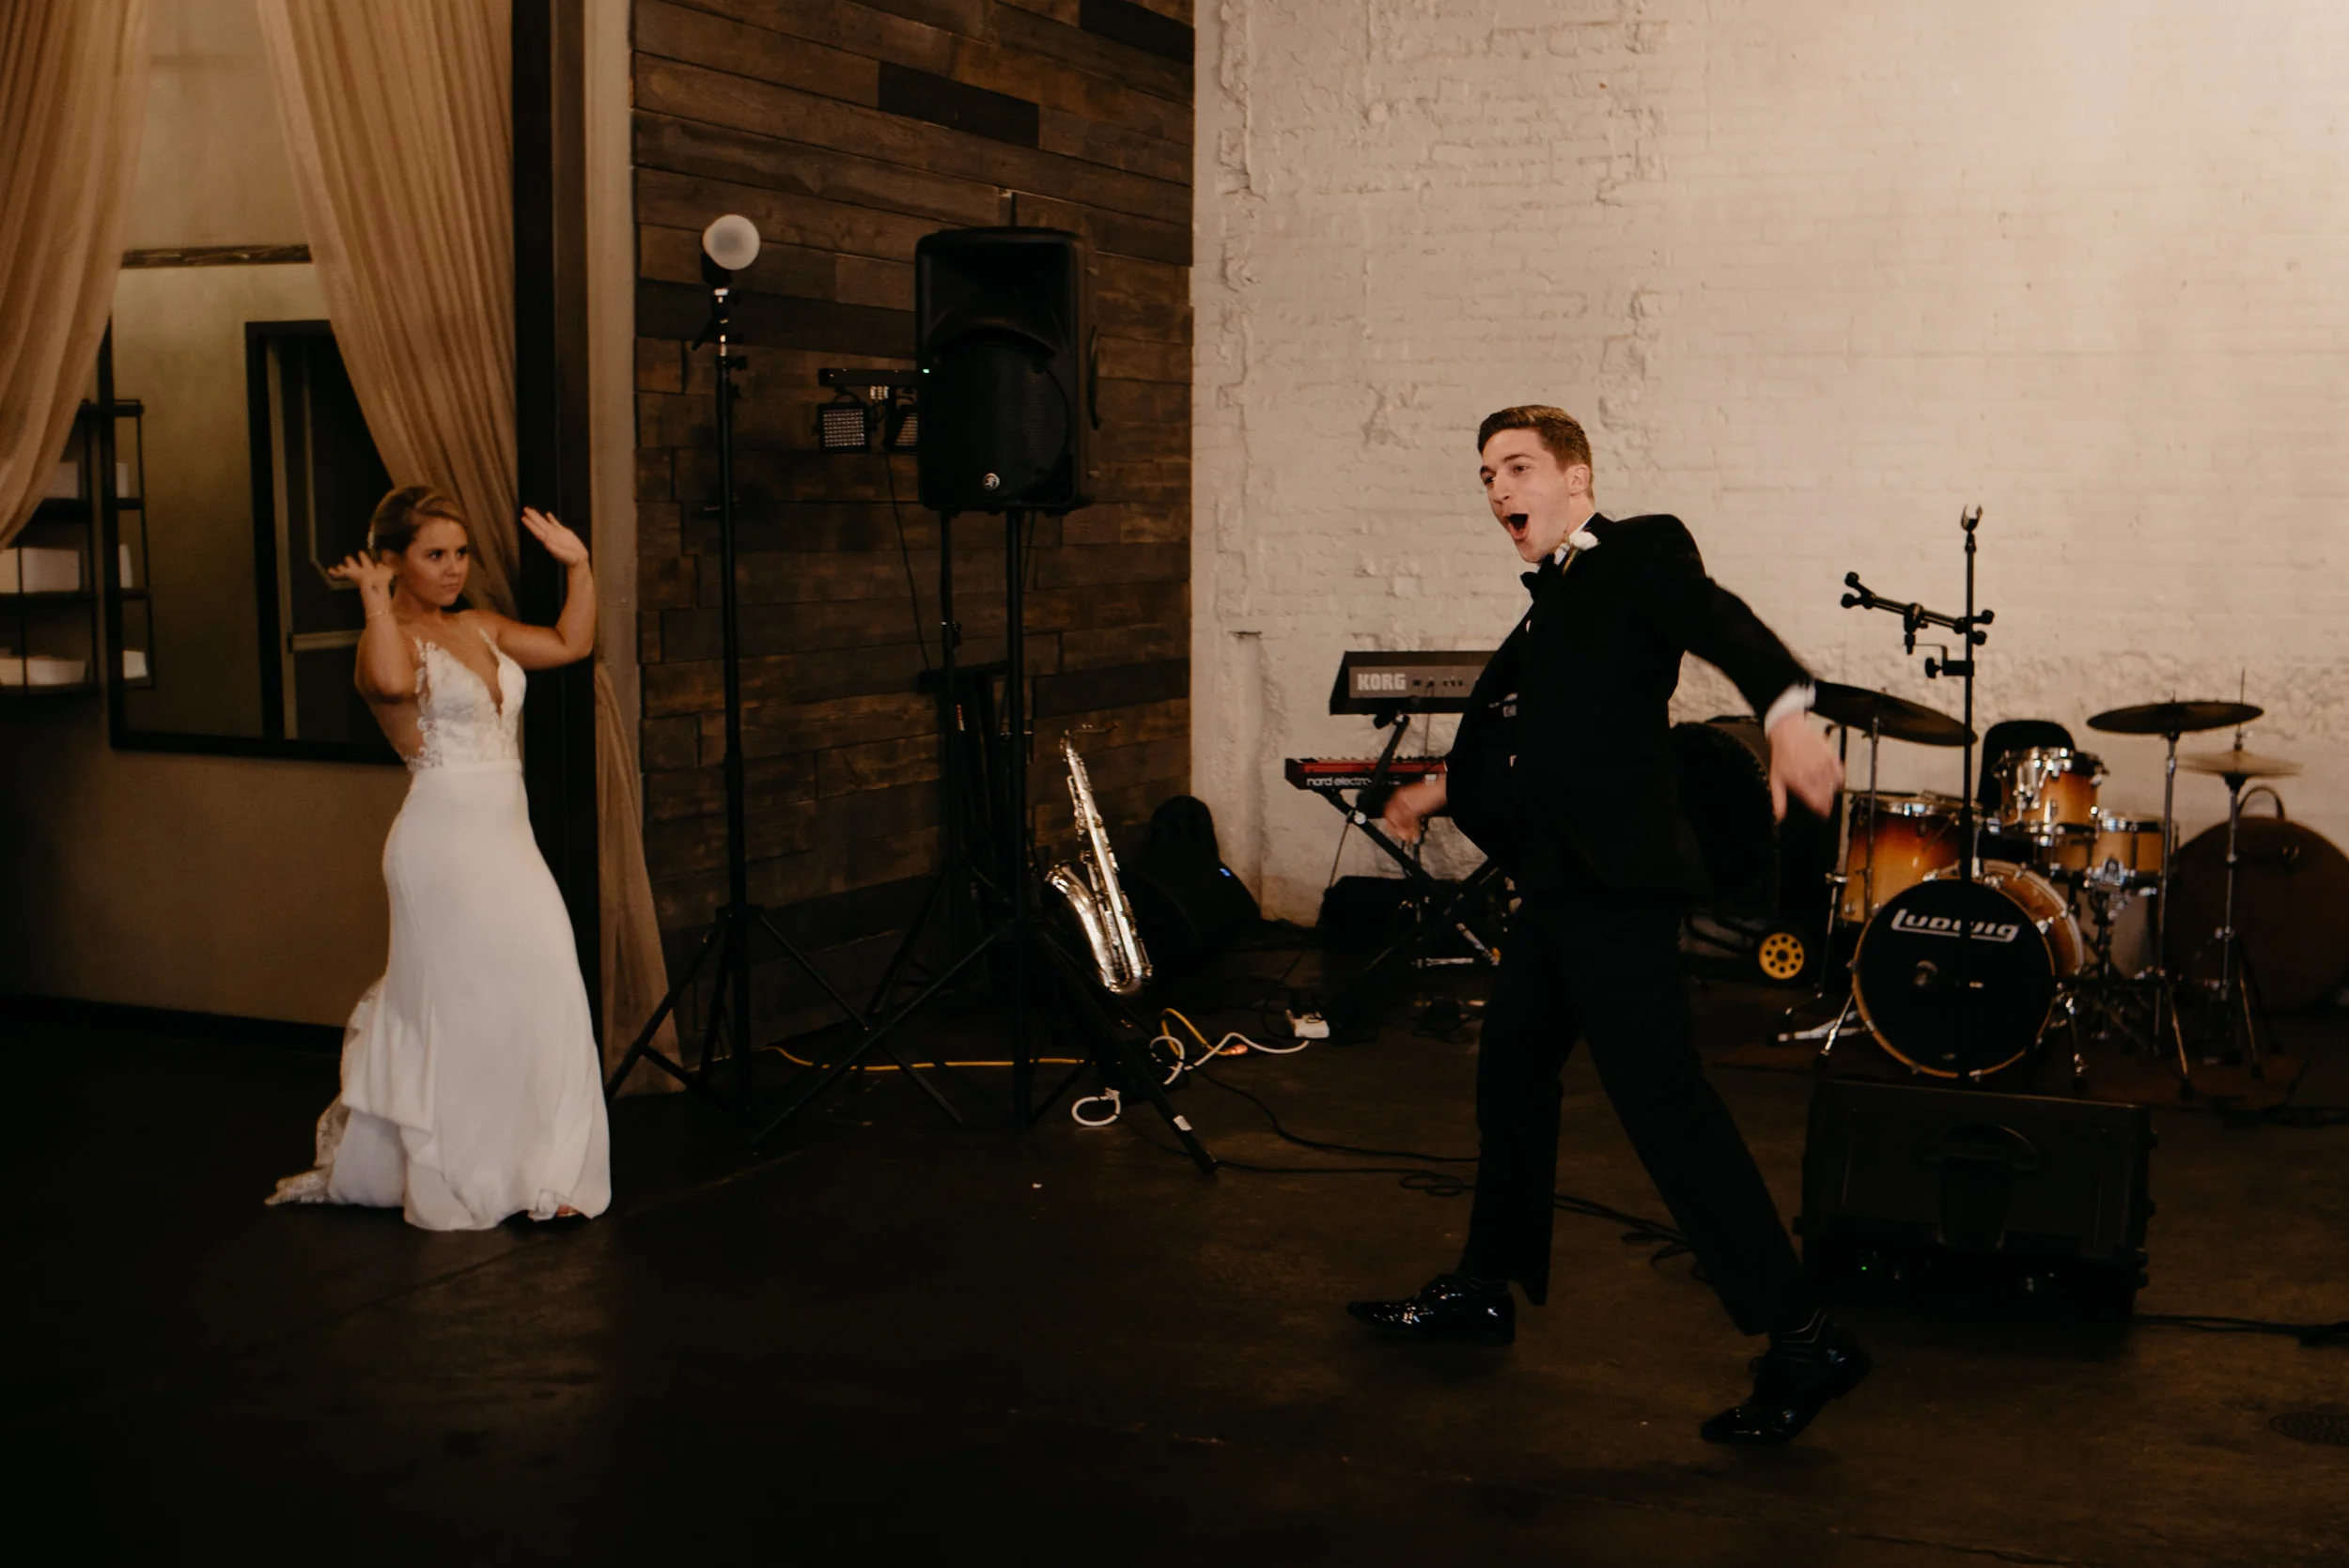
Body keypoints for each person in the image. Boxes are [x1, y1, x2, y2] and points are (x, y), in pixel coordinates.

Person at [1346, 406, 1866, 1445]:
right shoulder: (1555, 603)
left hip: (1614, 895)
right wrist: (1439, 791)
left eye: (1518, 467)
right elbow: (1549, 742)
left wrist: (1784, 713)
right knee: (1510, 1077)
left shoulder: (1637, 553)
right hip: (1559, 890)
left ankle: (1806, 1336)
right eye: (1486, 474)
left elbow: (1720, 619)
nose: (1498, 489)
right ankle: (1484, 1285)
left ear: (1576, 478)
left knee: (1667, 1111)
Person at [268, 486, 611, 1231]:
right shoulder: (386, 637)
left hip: (508, 841)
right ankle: (463, 1172)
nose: (455, 568)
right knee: (460, 1007)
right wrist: (374, 601)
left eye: (461, 553)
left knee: (547, 983)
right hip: (440, 845)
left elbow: (570, 644)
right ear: (394, 560)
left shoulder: (479, 625)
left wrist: (579, 566)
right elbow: (391, 685)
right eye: (434, 555)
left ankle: (542, 1166)